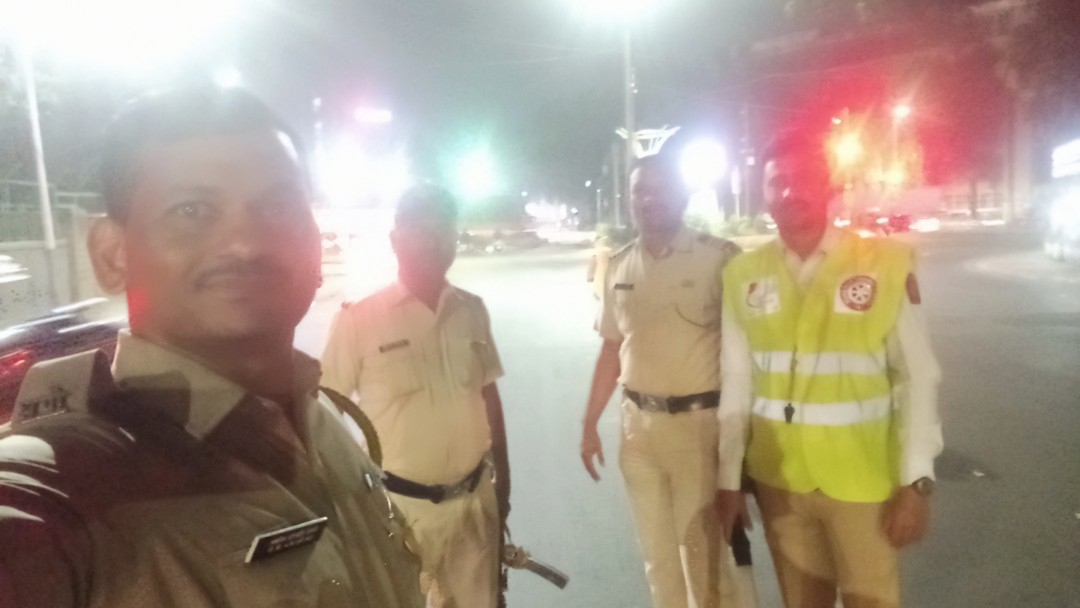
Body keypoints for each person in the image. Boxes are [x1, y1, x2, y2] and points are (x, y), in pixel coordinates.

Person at [0, 86, 424, 607]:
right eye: (193, 210)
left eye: (278, 205)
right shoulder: (77, 481)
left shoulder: (323, 426)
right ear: (112, 255)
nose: (247, 242)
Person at [714, 130, 943, 608]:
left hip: (862, 481)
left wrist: (917, 481)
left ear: (828, 185)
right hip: (780, 480)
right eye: (777, 181)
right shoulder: (742, 275)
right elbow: (737, 382)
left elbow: (917, 377)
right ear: (764, 193)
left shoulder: (884, 264)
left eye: (803, 178)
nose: (789, 190)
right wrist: (729, 478)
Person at [580, 152, 759, 608]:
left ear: (682, 196)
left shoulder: (719, 259)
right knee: (658, 562)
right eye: (640, 190)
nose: (649, 199)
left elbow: (748, 355)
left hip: (699, 431)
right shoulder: (619, 266)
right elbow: (611, 348)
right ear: (629, 199)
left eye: (660, 189)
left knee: (704, 558)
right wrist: (589, 424)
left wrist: (741, 451)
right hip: (638, 432)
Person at [320, 185, 510, 608]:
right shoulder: (360, 320)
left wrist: (504, 489)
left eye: (444, 231)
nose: (435, 241)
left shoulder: (471, 310)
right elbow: (324, 417)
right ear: (395, 241)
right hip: (400, 514)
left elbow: (489, 396)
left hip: (474, 506)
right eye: (422, 231)